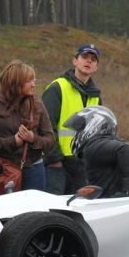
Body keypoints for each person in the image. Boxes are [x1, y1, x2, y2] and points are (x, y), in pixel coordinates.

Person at [0, 60, 55, 191]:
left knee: (34, 211)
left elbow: (50, 139)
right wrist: (12, 141)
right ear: (16, 83)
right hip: (4, 170)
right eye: (29, 81)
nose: (33, 84)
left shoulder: (37, 105)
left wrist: (33, 139)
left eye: (34, 80)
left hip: (34, 169)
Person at [43, 44, 102, 194]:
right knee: (55, 209)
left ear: (96, 67)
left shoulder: (95, 95)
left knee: (81, 208)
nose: (88, 61)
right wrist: (55, 159)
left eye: (93, 59)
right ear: (75, 61)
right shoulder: (57, 88)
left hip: (83, 164)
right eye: (84, 57)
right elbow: (45, 126)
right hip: (59, 164)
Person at [64, 106, 129, 198]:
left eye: (78, 131)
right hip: (113, 203)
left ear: (94, 124)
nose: (75, 135)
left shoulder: (94, 147)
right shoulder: (102, 145)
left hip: (110, 206)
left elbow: (124, 150)